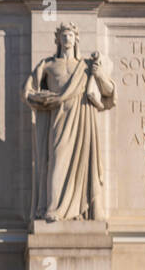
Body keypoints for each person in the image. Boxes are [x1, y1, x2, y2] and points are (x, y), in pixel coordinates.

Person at [23, 22, 116, 221]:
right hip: (58, 118)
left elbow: (108, 92)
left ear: (76, 39)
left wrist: (99, 74)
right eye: (64, 35)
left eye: (71, 35)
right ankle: (54, 207)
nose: (67, 39)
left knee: (83, 163)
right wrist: (41, 98)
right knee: (56, 160)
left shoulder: (86, 67)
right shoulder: (47, 65)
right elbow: (28, 92)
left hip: (82, 119)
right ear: (58, 39)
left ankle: (80, 211)